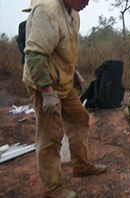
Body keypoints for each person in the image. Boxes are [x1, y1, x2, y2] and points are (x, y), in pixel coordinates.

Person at [23, 0, 106, 197]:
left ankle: (81, 165)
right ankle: (52, 188)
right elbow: (35, 55)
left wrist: (74, 71)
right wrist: (47, 92)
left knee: (79, 118)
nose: (87, 2)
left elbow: (63, 48)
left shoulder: (73, 13)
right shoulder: (47, 10)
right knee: (51, 135)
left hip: (63, 81)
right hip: (44, 83)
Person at [17, 0, 38, 64]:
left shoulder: (45, 25)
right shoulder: (23, 25)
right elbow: (20, 41)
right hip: (27, 59)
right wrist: (27, 53)